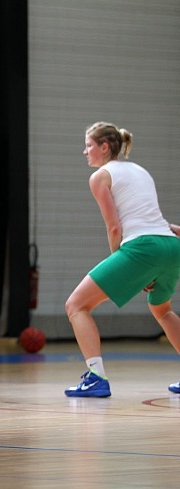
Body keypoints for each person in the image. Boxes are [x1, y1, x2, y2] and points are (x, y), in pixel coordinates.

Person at [64, 122, 180, 397]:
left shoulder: (100, 177)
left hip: (142, 248)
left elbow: (114, 227)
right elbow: (154, 219)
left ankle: (96, 378)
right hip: (171, 246)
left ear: (104, 147)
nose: (85, 151)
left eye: (89, 145)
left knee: (76, 305)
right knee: (162, 311)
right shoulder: (140, 170)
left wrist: (124, 268)